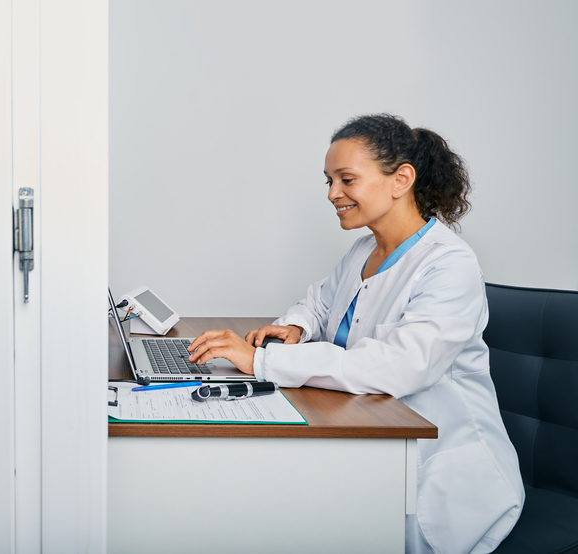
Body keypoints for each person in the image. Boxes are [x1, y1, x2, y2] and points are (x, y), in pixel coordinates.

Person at [187, 114, 524, 554]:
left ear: (401, 179)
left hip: (442, 478)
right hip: (364, 437)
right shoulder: (365, 248)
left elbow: (397, 367)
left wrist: (261, 361)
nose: (332, 194)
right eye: (328, 180)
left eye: (346, 179)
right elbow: (321, 302)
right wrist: (296, 325)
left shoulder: (449, 266)